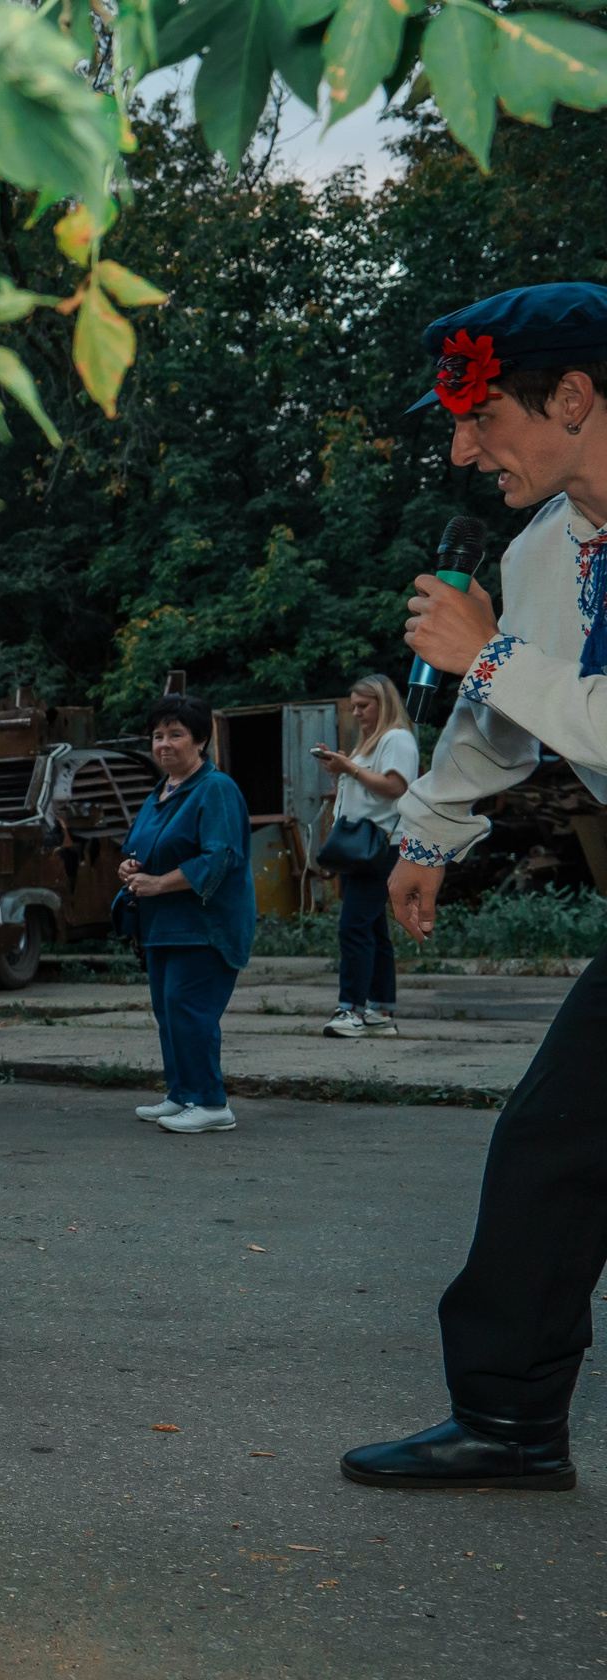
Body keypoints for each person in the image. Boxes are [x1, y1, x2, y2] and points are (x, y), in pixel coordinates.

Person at [342, 282, 607, 1492]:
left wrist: (490, 651)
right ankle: (506, 1421)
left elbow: (516, 679)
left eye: (475, 415)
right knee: (553, 1142)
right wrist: (429, 834)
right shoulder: (542, 549)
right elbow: (502, 724)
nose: (458, 447)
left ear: (571, 395)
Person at [119, 693, 254, 1135]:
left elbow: (220, 857)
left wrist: (159, 883)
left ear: (200, 740)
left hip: (204, 924)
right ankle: (182, 1094)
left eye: (175, 734)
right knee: (168, 1009)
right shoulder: (162, 791)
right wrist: (131, 865)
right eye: (157, 736)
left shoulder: (215, 788)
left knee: (190, 1008)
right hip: (162, 924)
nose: (164, 744)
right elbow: (141, 844)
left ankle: (212, 1103)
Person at [314, 675, 418, 1039]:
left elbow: (395, 787)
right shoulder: (372, 743)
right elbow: (369, 787)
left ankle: (351, 1010)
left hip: (380, 846)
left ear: (383, 704)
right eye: (354, 706)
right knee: (373, 929)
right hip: (362, 846)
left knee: (353, 927)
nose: (357, 713)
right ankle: (381, 1010)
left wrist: (350, 768)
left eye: (364, 705)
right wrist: (341, 767)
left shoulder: (397, 738)